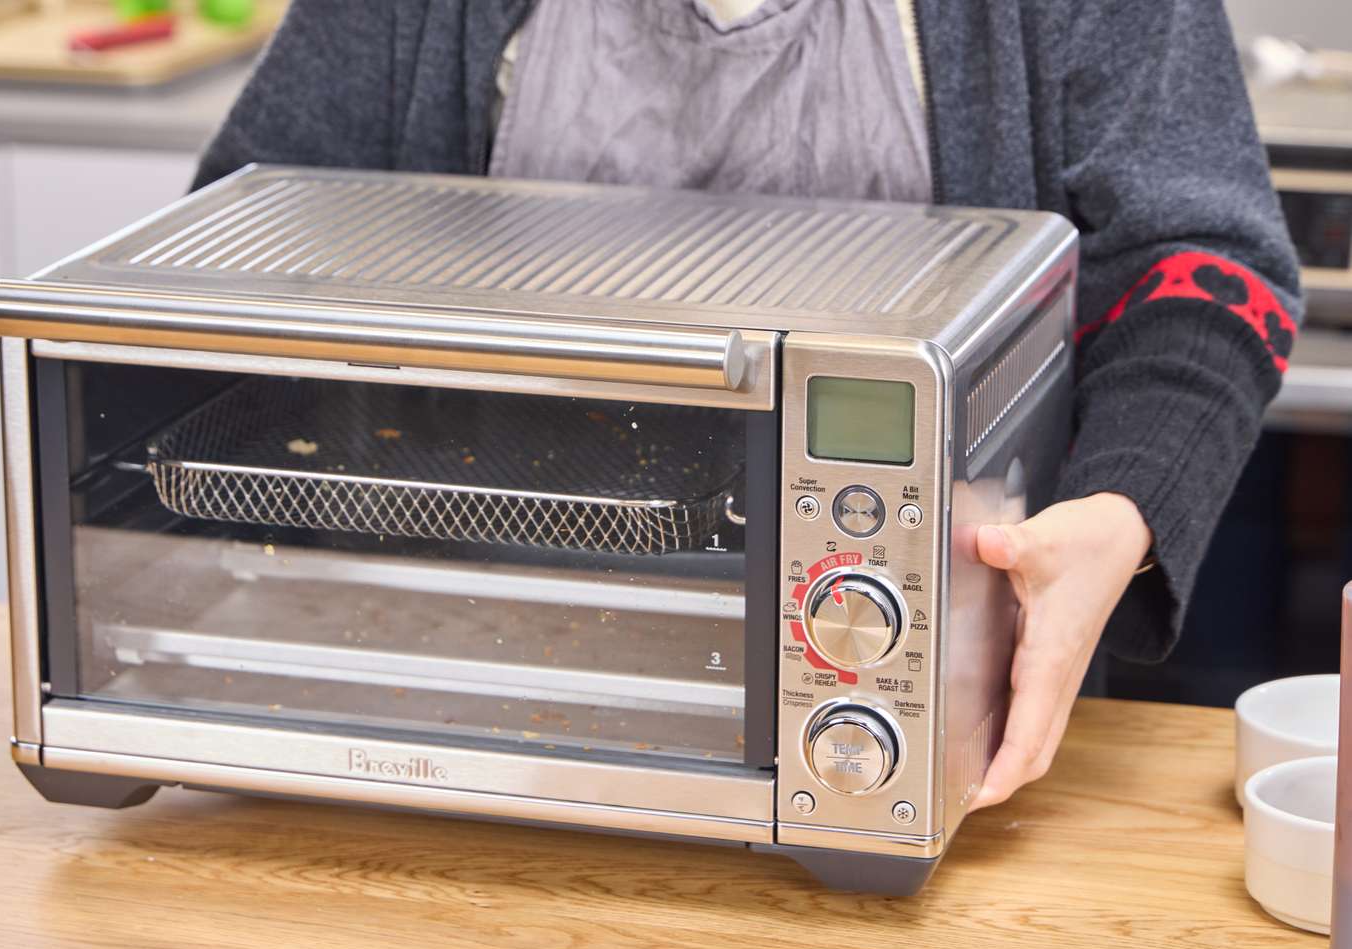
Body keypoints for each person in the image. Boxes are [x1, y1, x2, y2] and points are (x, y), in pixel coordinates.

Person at [193, 0, 1301, 809]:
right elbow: (246, 236)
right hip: (463, 693)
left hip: (918, 725)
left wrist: (1121, 507)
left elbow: (1206, 268)